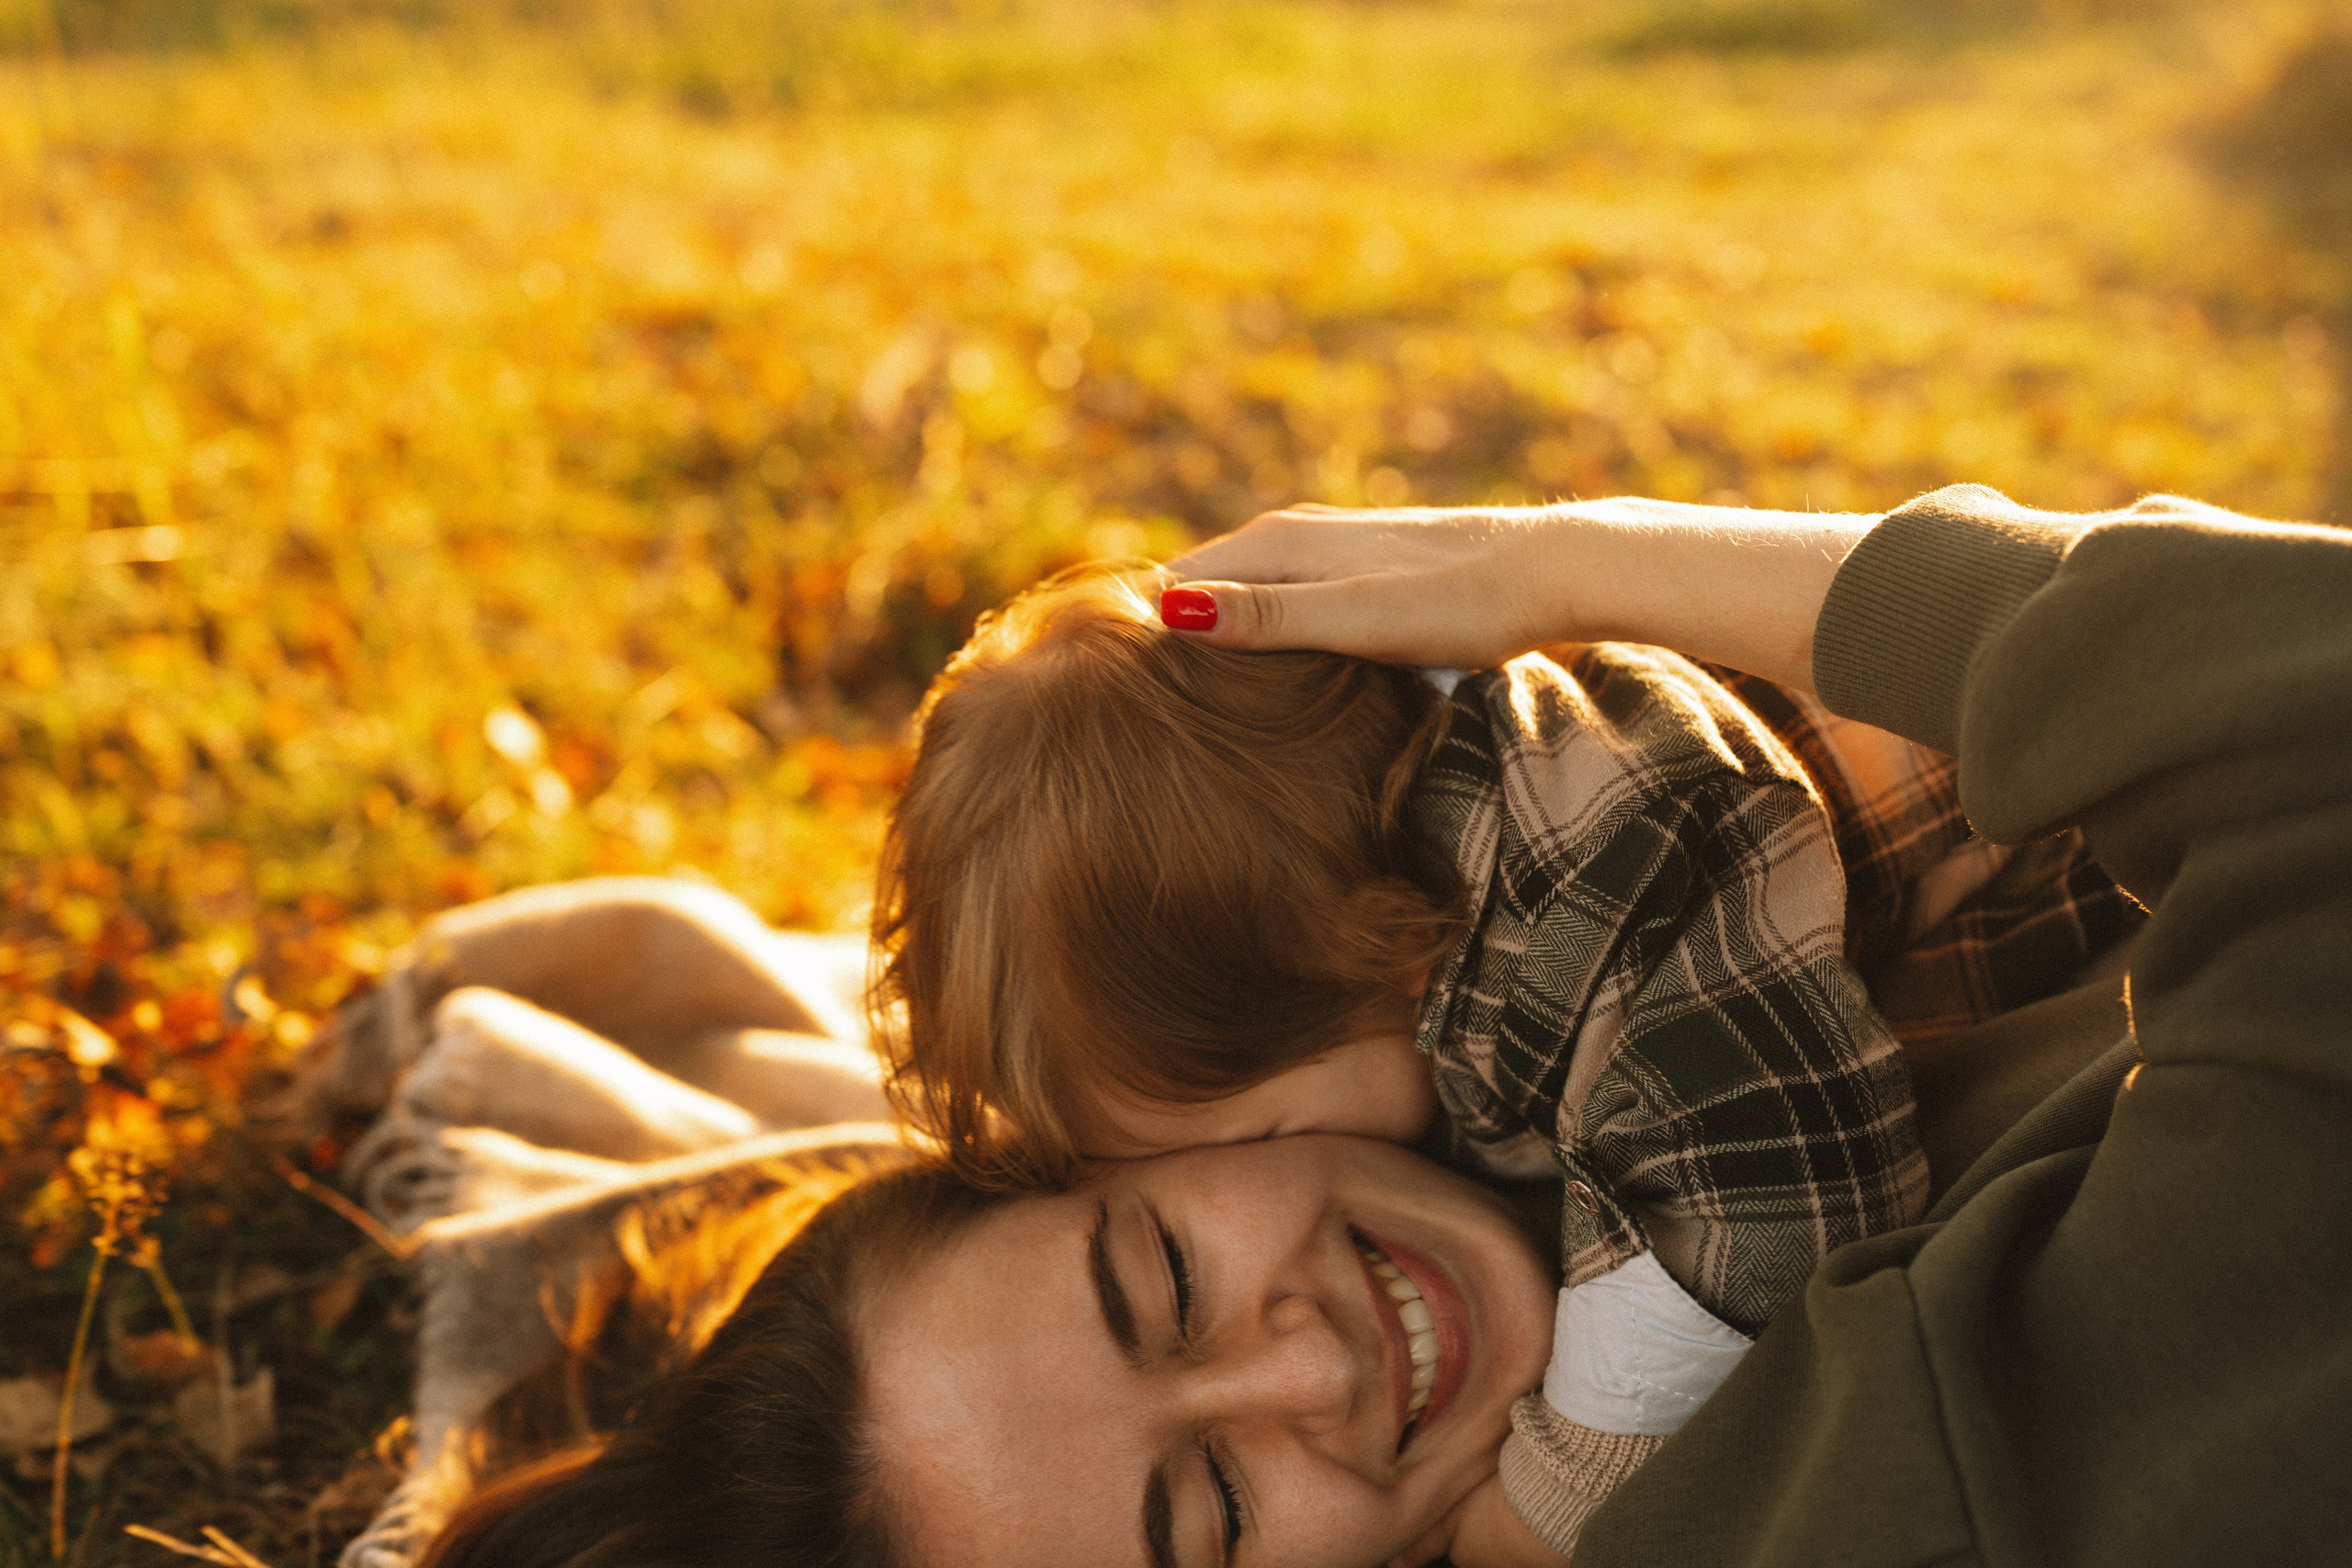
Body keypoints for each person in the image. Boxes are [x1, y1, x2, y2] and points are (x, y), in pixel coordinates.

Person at [414, 480, 2346, 1567]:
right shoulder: (1842, 1482)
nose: (1304, 1362)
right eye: (1209, 1511)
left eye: (1161, 1258)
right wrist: (1578, 559)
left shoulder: (1535, 1078)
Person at [872, 547, 2134, 1543]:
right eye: (1222, 1511)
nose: (1310, 1359)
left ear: (1343, 958)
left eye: (1258, 1135)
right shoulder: (1409, 892)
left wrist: (1561, 1492)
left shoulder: (1583, 869)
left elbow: (1774, 1189)